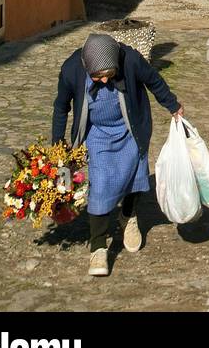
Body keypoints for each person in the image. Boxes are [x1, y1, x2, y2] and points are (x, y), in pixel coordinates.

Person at [52, 31, 183, 277]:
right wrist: (58, 144)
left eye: (108, 76)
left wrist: (173, 106)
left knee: (136, 177)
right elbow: (61, 107)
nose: (103, 82)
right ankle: (98, 247)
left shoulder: (130, 59)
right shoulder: (71, 69)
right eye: (97, 77)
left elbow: (154, 80)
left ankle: (128, 216)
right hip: (97, 133)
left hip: (130, 127)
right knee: (100, 186)